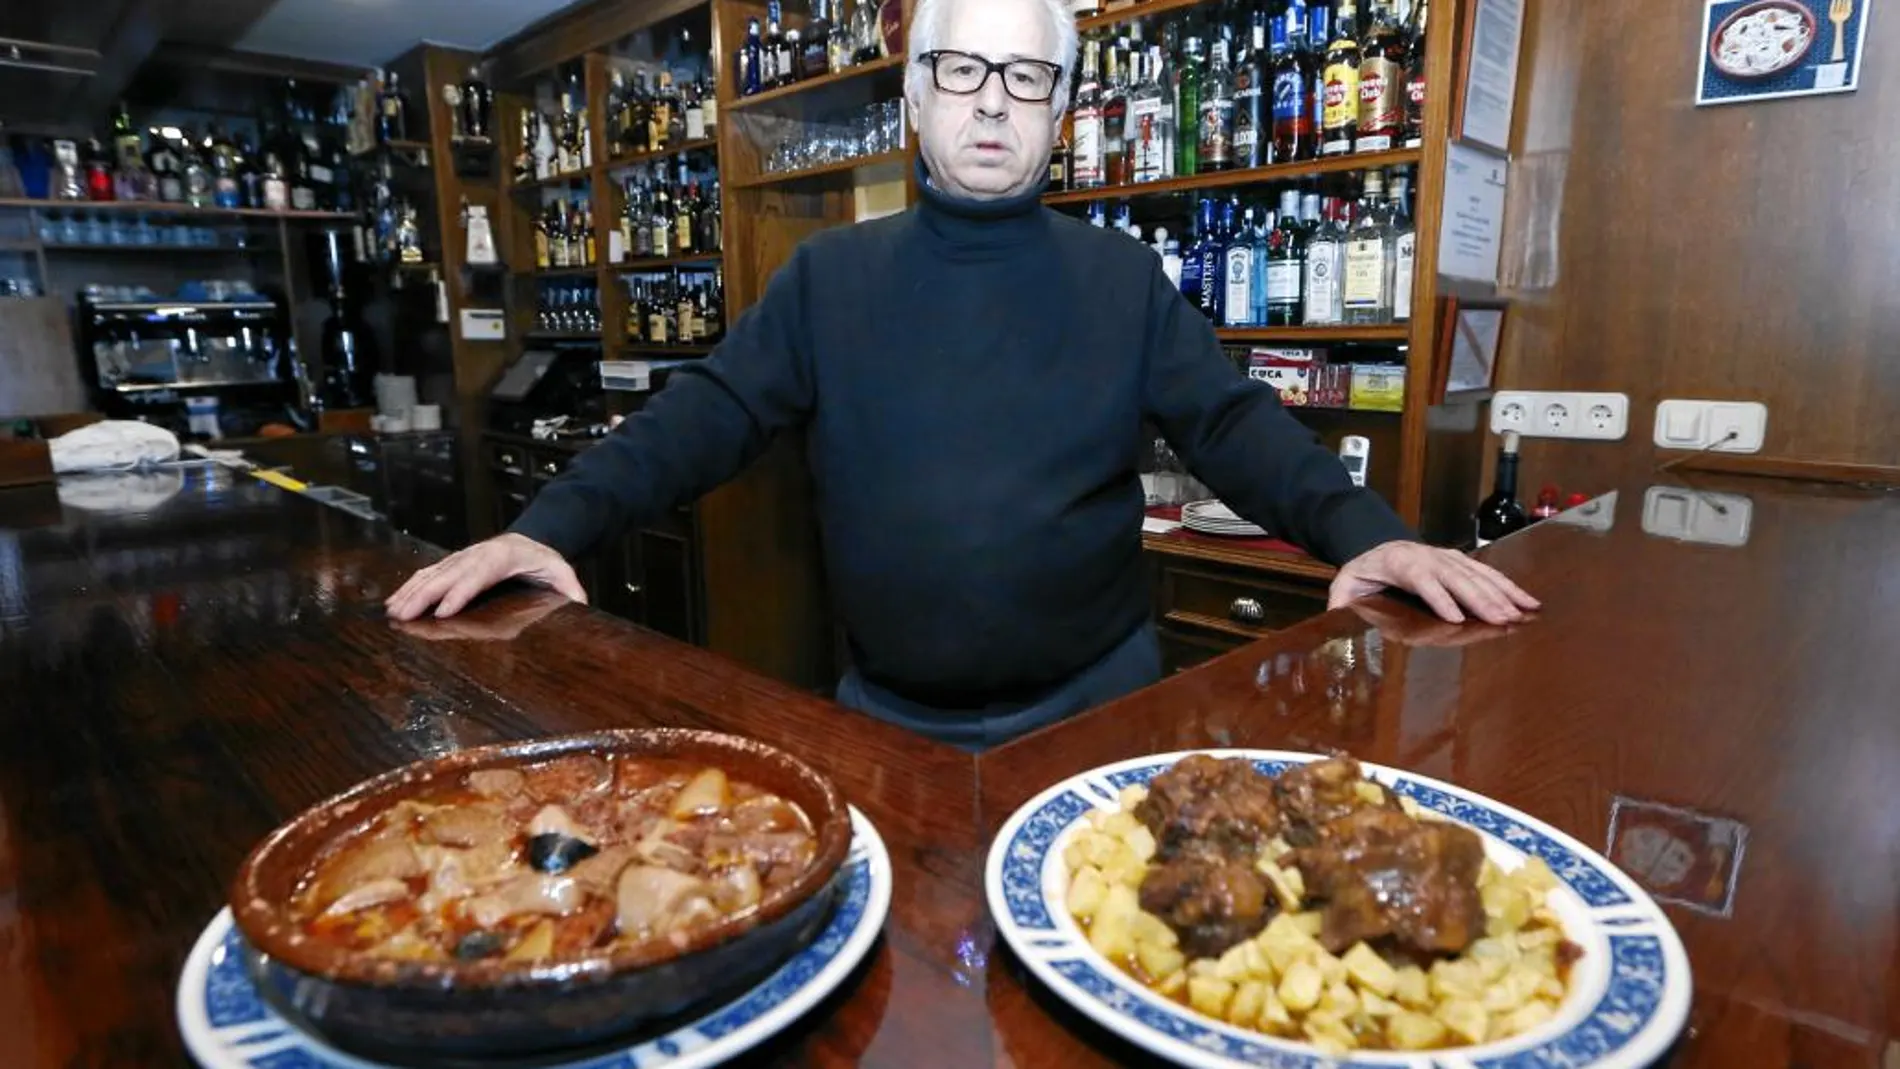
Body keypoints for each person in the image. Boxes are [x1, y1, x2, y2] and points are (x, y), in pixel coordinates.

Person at [388, 0, 1538, 748]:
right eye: (961, 69)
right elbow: (705, 415)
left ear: (1059, 109)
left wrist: (1368, 536)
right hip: (882, 726)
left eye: (1026, 77)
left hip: (1101, 714)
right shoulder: (827, 279)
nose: (991, 97)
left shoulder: (1121, 277)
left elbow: (1236, 426)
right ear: (915, 97)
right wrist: (553, 527)